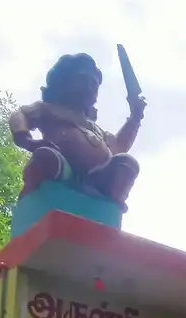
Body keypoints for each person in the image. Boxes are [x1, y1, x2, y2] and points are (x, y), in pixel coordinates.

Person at [10, 53, 145, 206]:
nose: (89, 88)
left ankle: (107, 205)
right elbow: (20, 115)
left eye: (94, 84)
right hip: (62, 170)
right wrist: (26, 139)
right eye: (82, 80)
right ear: (62, 83)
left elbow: (118, 147)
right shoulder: (49, 110)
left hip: (96, 179)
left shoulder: (95, 129)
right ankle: (31, 199)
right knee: (46, 157)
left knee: (126, 164)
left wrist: (135, 118)